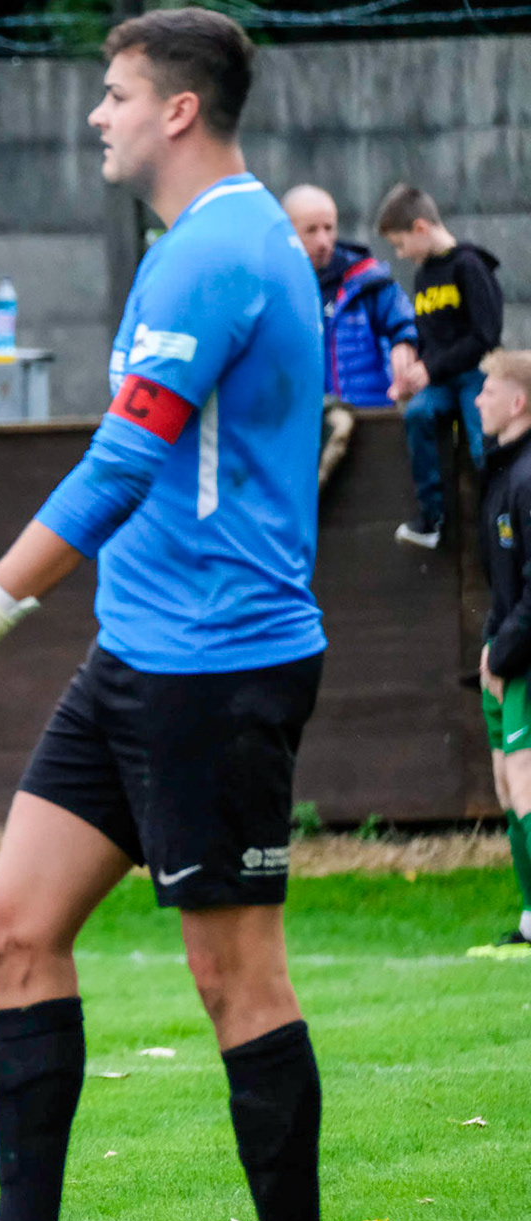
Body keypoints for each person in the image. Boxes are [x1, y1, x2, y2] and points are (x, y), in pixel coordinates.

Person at [0, 11, 326, 1221]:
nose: (98, 114)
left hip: (221, 666)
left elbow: (126, 458)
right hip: (137, 656)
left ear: (178, 110)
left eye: (116, 93)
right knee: (15, 920)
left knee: (235, 973)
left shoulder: (222, 252)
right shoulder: (195, 245)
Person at [377, 182, 504, 549]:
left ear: (420, 228)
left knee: (482, 444)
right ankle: (431, 517)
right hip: (441, 380)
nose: (400, 254)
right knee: (417, 415)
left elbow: (486, 334)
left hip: (476, 374)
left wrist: (433, 368)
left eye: (400, 244)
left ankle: (498, 519)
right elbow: (430, 338)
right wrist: (413, 374)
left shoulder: (469, 265)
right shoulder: (423, 277)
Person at [470, 350, 531, 957]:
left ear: (518, 404)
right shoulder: (501, 471)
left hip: (522, 654)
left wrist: (507, 650)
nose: (479, 399)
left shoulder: (528, 476)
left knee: (525, 780)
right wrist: (492, 649)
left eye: (489, 391)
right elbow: (504, 580)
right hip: (505, 650)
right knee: (506, 784)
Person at [282, 183, 418, 410]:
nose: (324, 241)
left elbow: (404, 319)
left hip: (368, 415)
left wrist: (405, 342)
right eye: (311, 230)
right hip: (298, 421)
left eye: (329, 228)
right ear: (287, 230)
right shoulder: (272, 286)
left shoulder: (368, 281)